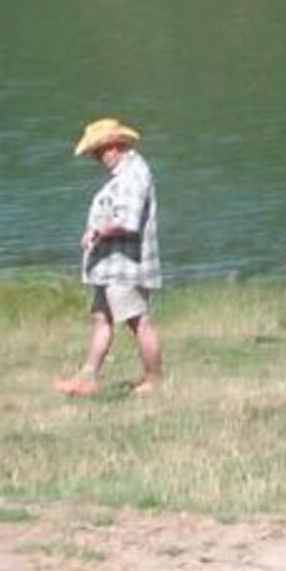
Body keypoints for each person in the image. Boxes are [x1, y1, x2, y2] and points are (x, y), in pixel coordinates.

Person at [56, 116, 162, 396]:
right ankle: (86, 378)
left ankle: (153, 379)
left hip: (125, 266)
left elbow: (127, 221)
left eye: (98, 152)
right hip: (110, 265)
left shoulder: (132, 176)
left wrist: (96, 233)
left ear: (114, 146)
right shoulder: (125, 174)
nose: (96, 158)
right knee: (101, 319)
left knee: (137, 320)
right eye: (94, 153)